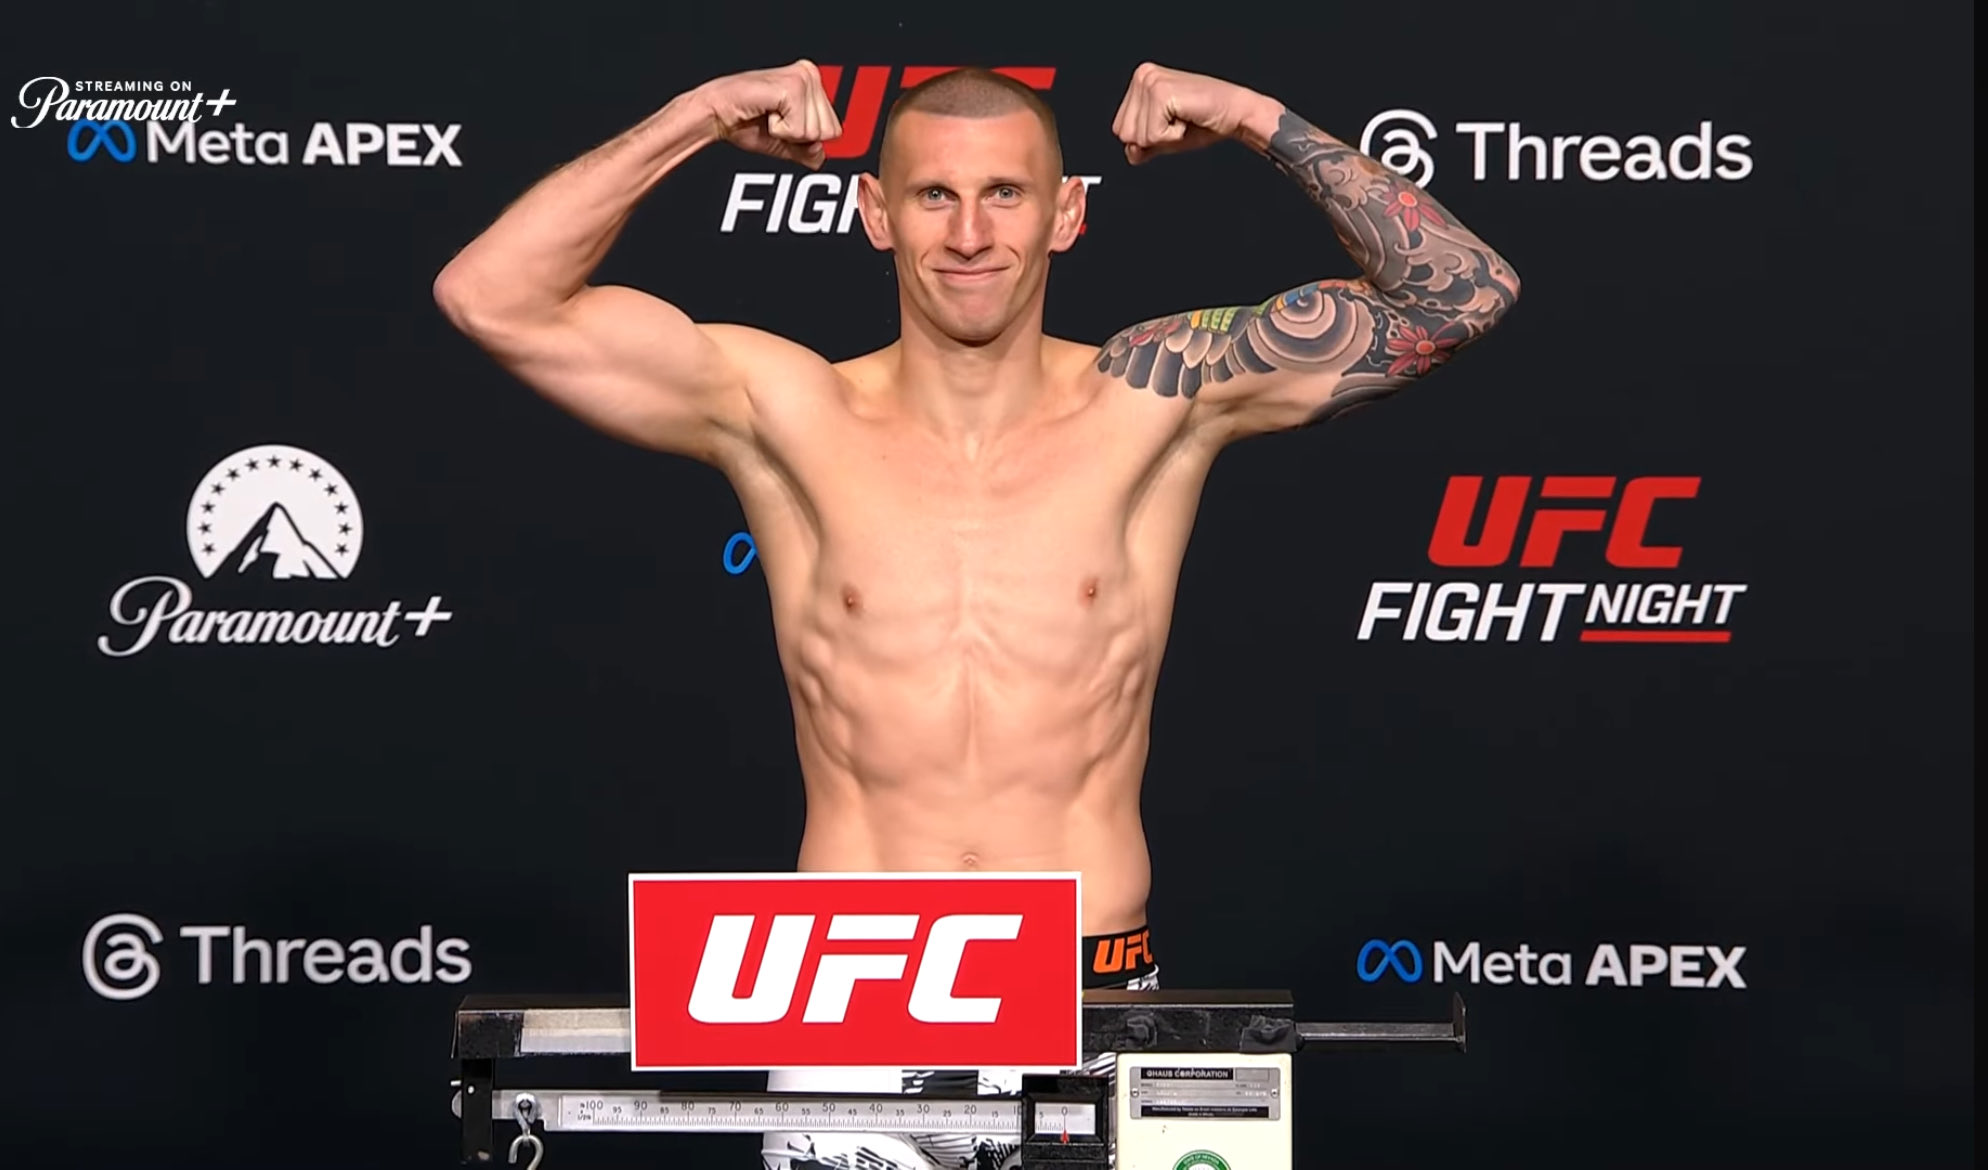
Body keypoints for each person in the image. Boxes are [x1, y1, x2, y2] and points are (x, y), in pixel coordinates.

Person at [434, 58, 1519, 1170]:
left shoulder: (1155, 395)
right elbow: (491, 296)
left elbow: (1461, 296)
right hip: (849, 988)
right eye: (933, 196)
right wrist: (697, 114)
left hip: (1087, 988)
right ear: (874, 212)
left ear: (1066, 212)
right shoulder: (786, 408)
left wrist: (1249, 116)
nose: (968, 234)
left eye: (1004, 193)